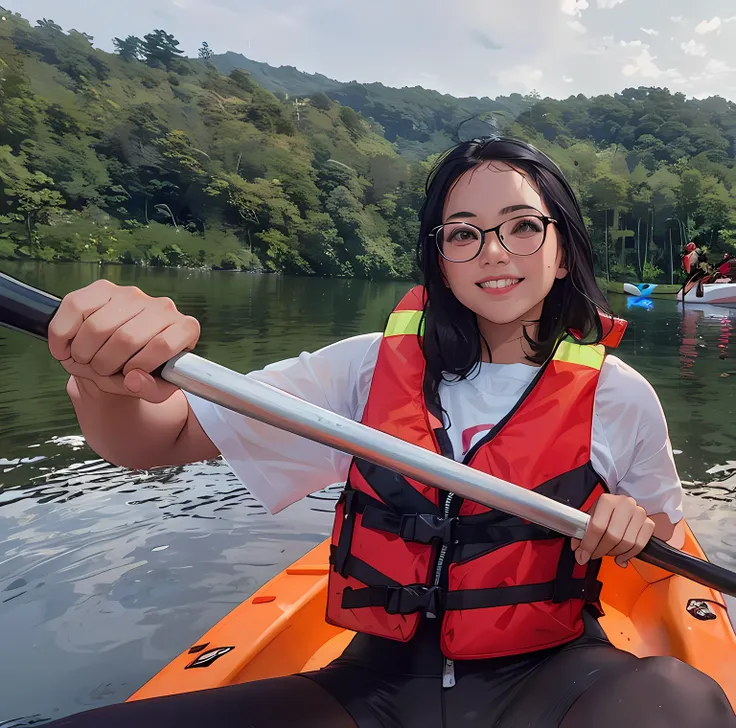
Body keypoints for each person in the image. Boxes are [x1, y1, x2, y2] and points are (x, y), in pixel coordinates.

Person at [42, 137, 735, 727]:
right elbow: (153, 440)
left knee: (678, 699)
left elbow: (660, 553)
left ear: (561, 250)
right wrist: (106, 380)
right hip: (371, 689)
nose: (494, 251)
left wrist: (630, 525)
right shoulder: (363, 369)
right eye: (464, 232)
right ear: (440, 259)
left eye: (523, 226)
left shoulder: (618, 395)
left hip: (550, 679)